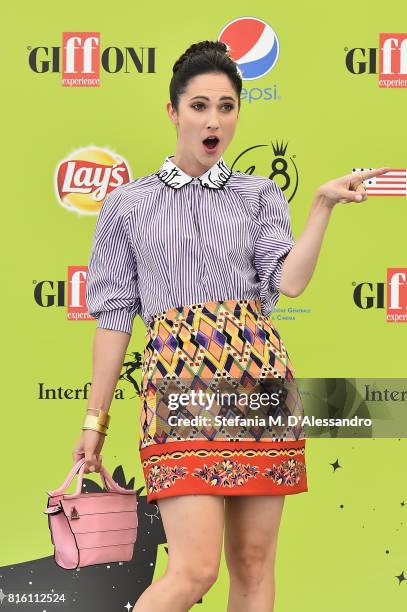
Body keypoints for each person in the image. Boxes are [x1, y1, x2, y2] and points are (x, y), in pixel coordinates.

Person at [72, 40, 390, 612]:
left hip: (259, 386)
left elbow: (288, 283)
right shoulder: (128, 205)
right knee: (193, 570)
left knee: (252, 564)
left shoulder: (260, 195)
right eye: (199, 106)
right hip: (177, 389)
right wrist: (95, 419)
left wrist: (320, 208)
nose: (214, 120)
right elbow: (115, 317)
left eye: (226, 106)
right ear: (173, 111)